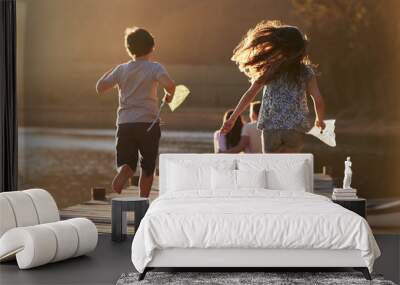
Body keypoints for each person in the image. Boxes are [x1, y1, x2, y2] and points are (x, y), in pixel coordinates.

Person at [221, 20, 326, 153]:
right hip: (295, 128)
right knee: (290, 167)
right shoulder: (306, 71)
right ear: (301, 48)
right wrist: (319, 120)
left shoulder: (270, 69)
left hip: (271, 127)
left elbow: (250, 94)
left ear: (279, 46)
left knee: (272, 167)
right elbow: (318, 100)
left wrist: (233, 117)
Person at [96, 27, 176, 197]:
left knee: (127, 162)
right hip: (148, 124)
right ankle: (143, 200)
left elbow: (100, 87)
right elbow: (170, 85)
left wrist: (116, 71)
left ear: (129, 49)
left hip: (125, 124)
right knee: (147, 167)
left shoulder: (121, 69)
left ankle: (124, 171)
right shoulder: (155, 68)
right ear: (152, 47)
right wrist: (169, 96)